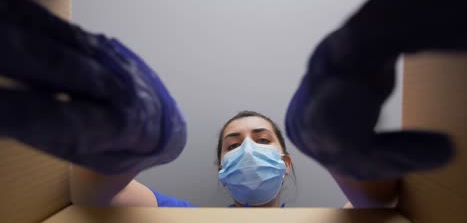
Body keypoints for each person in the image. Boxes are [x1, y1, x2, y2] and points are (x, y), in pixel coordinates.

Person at [70, 110, 399, 208]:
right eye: (233, 144)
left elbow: (381, 202)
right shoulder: (185, 218)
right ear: (222, 170)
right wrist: (147, 143)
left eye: (262, 139)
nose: (248, 150)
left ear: (285, 164)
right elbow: (92, 193)